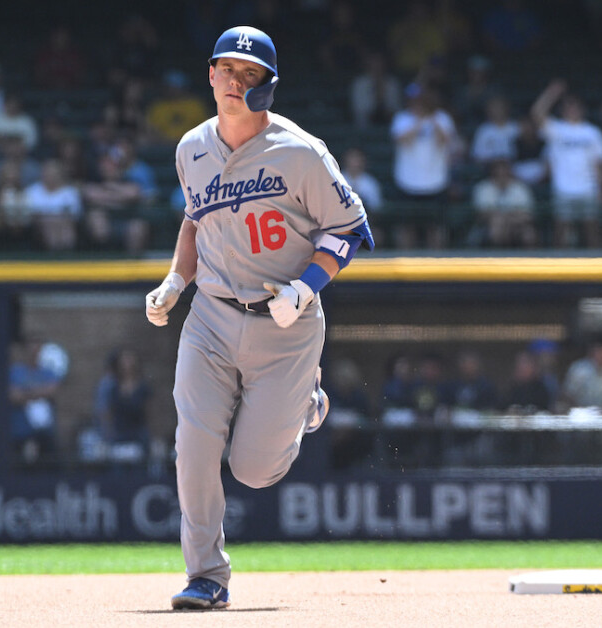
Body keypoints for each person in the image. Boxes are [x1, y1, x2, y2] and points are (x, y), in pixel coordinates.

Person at [144, 26, 372, 611]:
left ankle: (308, 403)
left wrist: (306, 287)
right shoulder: (190, 148)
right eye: (227, 70)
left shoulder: (301, 152)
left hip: (287, 322)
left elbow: (350, 230)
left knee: (254, 471)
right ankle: (207, 577)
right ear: (211, 75)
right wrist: (177, 278)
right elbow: (197, 218)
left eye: (249, 75)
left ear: (267, 87)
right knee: (192, 445)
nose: (234, 82)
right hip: (213, 317)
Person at [531, 79, 602, 248]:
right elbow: (536, 113)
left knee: (592, 232)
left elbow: (600, 163)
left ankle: (597, 271)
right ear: (563, 109)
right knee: (560, 233)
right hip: (563, 189)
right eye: (568, 105)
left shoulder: (592, 132)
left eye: (575, 105)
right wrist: (552, 93)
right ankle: (557, 273)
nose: (572, 108)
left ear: (582, 109)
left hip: (589, 189)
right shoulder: (556, 129)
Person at [390, 81, 458, 248]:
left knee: (436, 228)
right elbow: (401, 139)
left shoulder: (442, 118)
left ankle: (437, 268)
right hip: (407, 182)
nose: (418, 103)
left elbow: (446, 140)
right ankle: (404, 268)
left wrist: (432, 118)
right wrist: (419, 121)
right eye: (415, 100)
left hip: (436, 182)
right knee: (406, 227)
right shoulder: (402, 118)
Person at [9, 338, 63, 462]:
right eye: (31, 349)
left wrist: (26, 393)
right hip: (20, 432)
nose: (34, 353)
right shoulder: (16, 372)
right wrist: (39, 393)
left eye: (37, 350)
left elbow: (52, 390)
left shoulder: (48, 372)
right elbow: (14, 396)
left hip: (45, 434)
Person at [93, 347, 151, 448]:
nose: (127, 364)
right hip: (118, 437)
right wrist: (108, 435)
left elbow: (150, 412)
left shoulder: (143, 388)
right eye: (124, 360)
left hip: (139, 437)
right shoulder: (112, 387)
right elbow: (106, 412)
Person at [470, 158, 536, 248]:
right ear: (492, 173)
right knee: (497, 224)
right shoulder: (483, 188)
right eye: (498, 173)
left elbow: (527, 215)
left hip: (517, 225)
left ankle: (528, 261)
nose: (501, 175)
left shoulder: (520, 188)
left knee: (528, 234)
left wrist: (507, 219)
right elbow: (481, 214)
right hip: (488, 226)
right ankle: (497, 258)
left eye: (504, 172)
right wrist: (501, 218)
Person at [562, 339, 602, 412]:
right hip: (582, 413)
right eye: (598, 351)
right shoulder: (579, 368)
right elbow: (567, 394)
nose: (601, 355)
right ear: (592, 353)